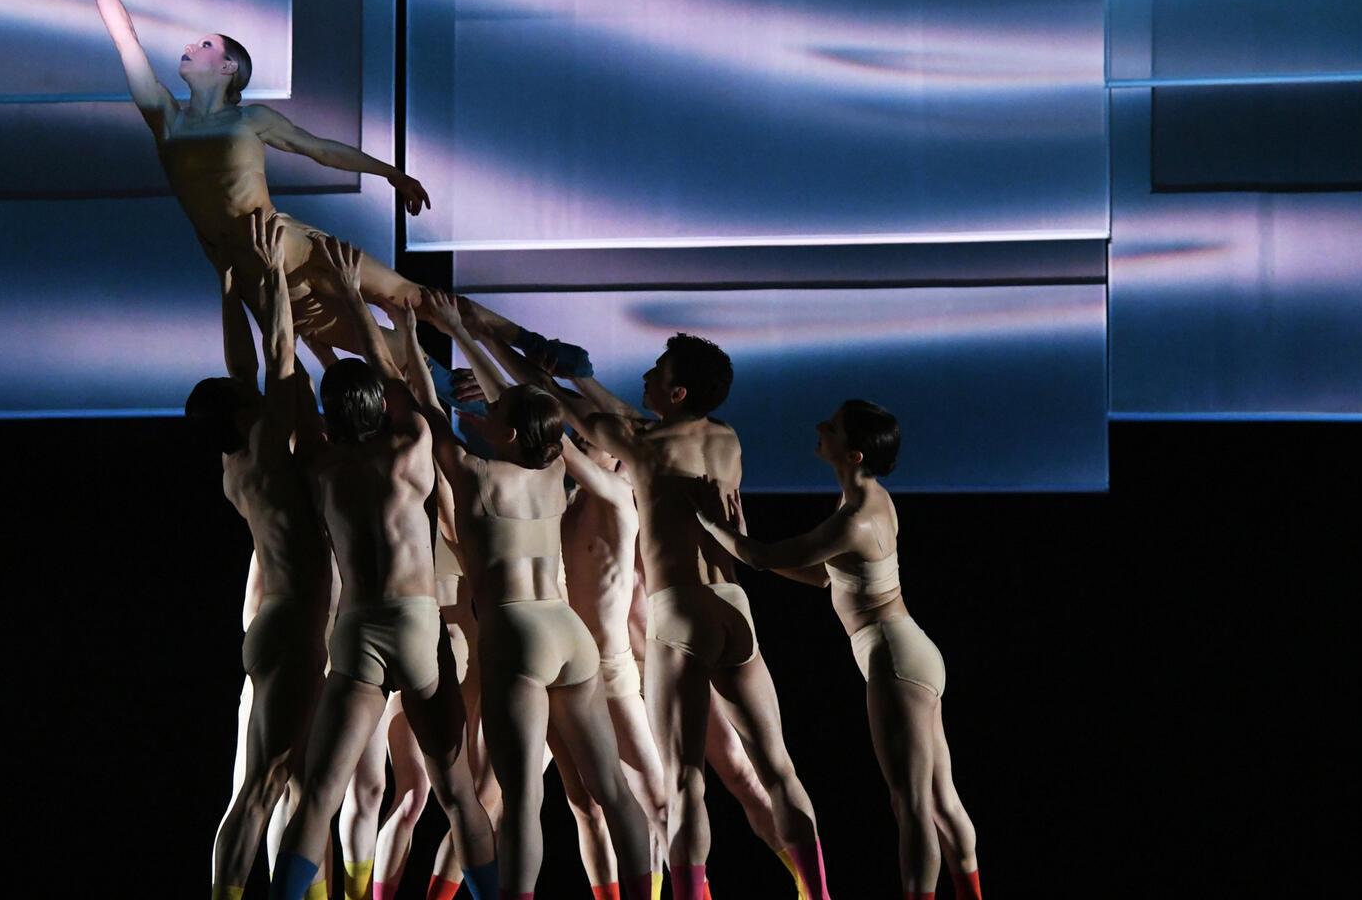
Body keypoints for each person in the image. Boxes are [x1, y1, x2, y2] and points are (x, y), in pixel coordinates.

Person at [463, 309, 834, 900]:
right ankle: (819, 893)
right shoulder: (724, 440)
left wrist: (493, 344)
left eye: (657, 370)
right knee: (775, 769)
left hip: (679, 610)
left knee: (684, 782)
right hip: (733, 604)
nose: (646, 375)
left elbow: (561, 416)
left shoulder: (639, 450)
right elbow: (625, 419)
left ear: (677, 389)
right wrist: (576, 377)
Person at [65, 0, 494, 364]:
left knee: (409, 297)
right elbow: (126, 39)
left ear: (229, 67)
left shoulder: (251, 119)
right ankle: (470, 396)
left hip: (290, 244)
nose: (190, 47)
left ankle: (526, 346)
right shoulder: (168, 120)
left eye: (205, 46)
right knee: (386, 352)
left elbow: (321, 149)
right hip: (256, 268)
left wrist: (391, 174)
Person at [268, 240, 498, 900]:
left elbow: (293, 388)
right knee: (457, 794)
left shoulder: (322, 464)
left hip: (357, 629)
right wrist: (355, 301)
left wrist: (288, 315)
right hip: (415, 624)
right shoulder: (410, 450)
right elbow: (395, 380)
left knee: (318, 797)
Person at [407, 291, 655, 900]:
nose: (482, 418)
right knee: (613, 789)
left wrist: (416, 330)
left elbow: (422, 404)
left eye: (493, 418)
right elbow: (533, 408)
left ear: (509, 432)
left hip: (515, 634)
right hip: (567, 632)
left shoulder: (472, 475)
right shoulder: (554, 471)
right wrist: (463, 333)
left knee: (520, 802)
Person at [689, 402, 982, 900]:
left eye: (832, 427)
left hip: (893, 658)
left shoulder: (855, 518)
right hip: (911, 651)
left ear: (854, 452)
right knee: (938, 798)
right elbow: (823, 574)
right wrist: (745, 544)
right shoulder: (870, 502)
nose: (820, 428)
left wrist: (715, 526)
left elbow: (764, 557)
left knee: (910, 804)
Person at [185, 212, 334, 900]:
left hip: (272, 623)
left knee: (296, 782)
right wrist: (268, 274)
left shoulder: (235, 465)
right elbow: (276, 356)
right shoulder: (271, 449)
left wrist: (226, 287)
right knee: (266, 784)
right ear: (241, 413)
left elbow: (244, 368)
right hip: (296, 626)